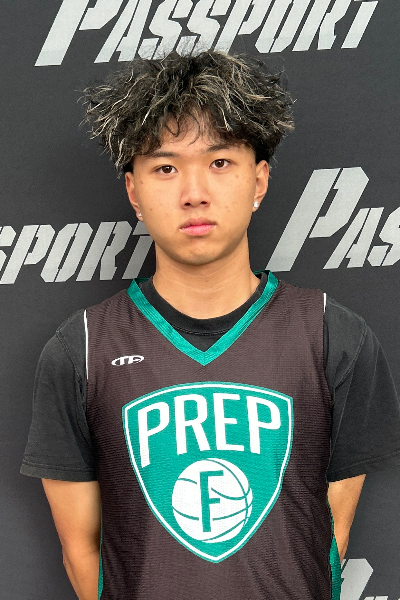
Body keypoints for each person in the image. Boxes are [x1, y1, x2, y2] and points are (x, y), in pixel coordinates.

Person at [21, 51, 400, 600]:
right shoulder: (79, 349)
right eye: (165, 167)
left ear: (259, 180)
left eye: (220, 162)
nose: (194, 192)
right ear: (134, 191)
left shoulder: (333, 336)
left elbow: (326, 540)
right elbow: (82, 550)